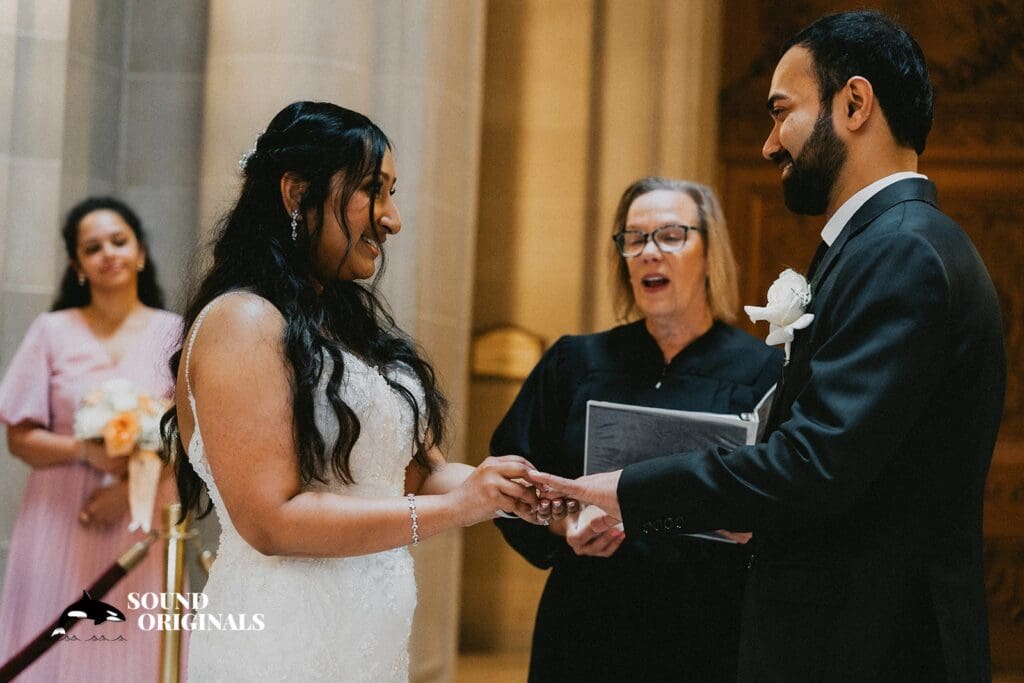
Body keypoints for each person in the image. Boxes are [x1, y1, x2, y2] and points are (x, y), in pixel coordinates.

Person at [529, 10, 1005, 681]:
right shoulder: (885, 245)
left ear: (855, 103)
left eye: (782, 112)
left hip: (872, 645)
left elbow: (814, 463)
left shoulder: (900, 253)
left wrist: (627, 488)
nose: (769, 144)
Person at [165, 101, 545, 683]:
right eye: (374, 190)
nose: (391, 219)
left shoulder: (344, 325)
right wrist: (456, 509)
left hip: (366, 641)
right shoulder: (241, 322)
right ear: (297, 194)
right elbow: (271, 520)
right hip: (281, 644)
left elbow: (413, 475)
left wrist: (514, 493)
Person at [494, 177, 783, 681]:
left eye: (671, 235)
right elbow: (505, 483)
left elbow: (794, 495)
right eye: (634, 238)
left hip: (708, 631)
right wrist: (563, 526)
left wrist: (756, 527)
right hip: (588, 628)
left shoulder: (763, 371)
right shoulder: (574, 363)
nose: (650, 252)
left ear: (710, 253)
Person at [0, 197, 183, 681]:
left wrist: (125, 491)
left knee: (132, 650)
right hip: (61, 517)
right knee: (51, 650)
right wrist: (88, 452)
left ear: (140, 253)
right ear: (77, 265)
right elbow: (19, 439)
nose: (108, 253)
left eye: (119, 241)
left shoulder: (175, 334)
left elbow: (190, 437)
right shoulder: (51, 331)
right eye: (92, 247)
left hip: (143, 521)